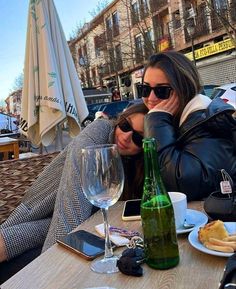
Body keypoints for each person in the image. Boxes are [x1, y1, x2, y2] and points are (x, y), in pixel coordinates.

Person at [0, 103, 147, 283]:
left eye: (138, 138)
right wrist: (56, 273)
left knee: (14, 244)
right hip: (44, 210)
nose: (125, 136)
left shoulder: (136, 168)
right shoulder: (100, 129)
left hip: (86, 228)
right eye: (125, 126)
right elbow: (71, 206)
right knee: (10, 240)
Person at [141, 51, 236, 201]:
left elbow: (180, 184)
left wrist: (156, 118)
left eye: (162, 91)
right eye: (145, 89)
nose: (151, 98)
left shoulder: (205, 121)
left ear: (184, 89)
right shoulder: (175, 120)